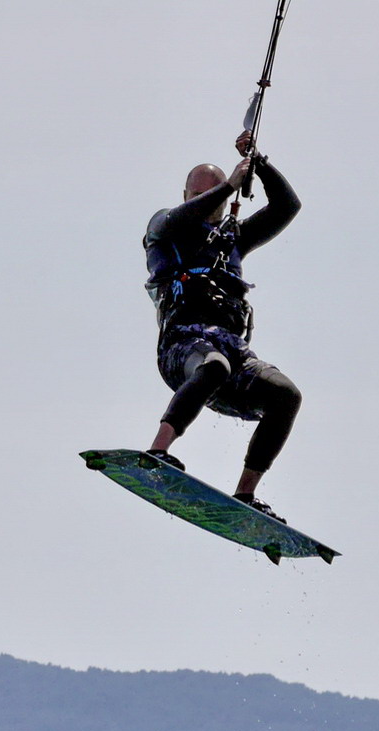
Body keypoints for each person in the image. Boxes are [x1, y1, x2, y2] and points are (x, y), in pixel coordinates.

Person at [142, 130, 303, 521]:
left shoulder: (233, 239)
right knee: (214, 365)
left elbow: (287, 206)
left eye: (213, 193)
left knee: (286, 395)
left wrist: (259, 163)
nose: (205, 199)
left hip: (232, 349)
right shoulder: (163, 227)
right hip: (182, 347)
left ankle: (246, 493)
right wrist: (228, 184)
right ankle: (157, 452)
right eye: (198, 193)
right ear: (186, 195)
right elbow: (184, 216)